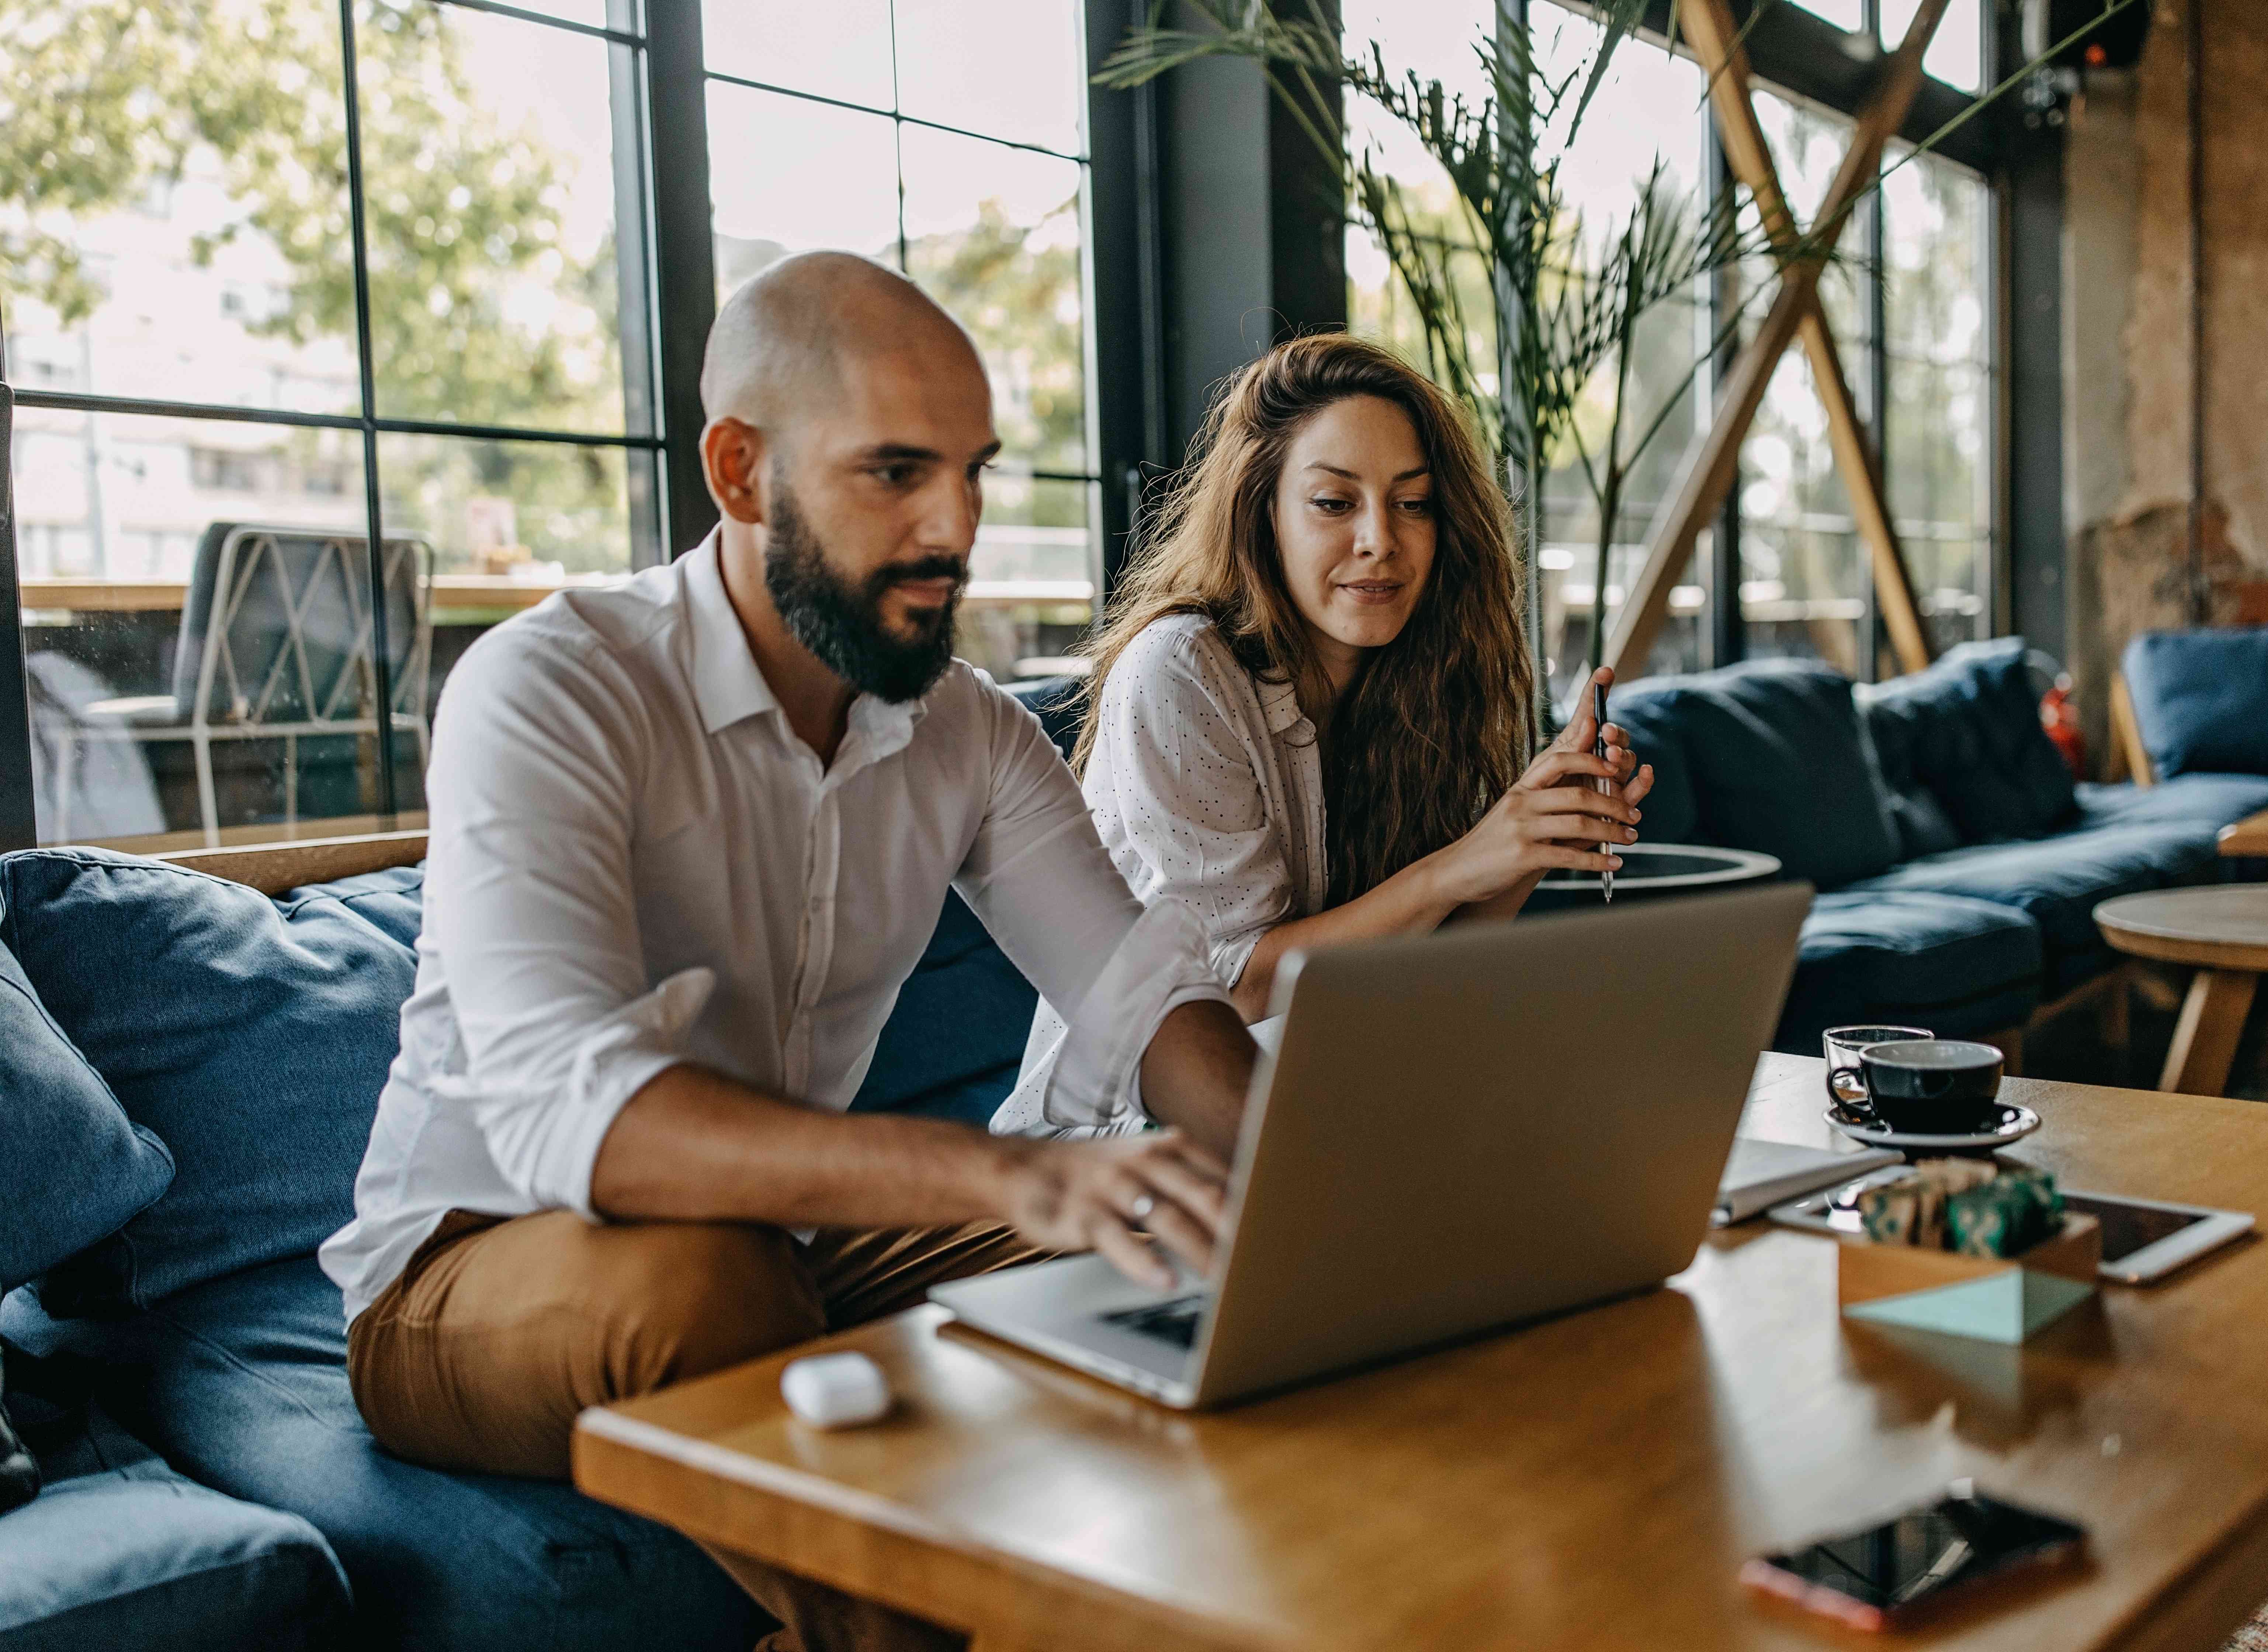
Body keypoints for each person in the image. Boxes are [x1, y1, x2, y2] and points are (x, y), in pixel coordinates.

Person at [319, 251, 1260, 1652]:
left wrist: (1303, 1191)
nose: (956, 527)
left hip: (786, 1240)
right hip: (471, 1267)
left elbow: (1142, 994)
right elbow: (589, 1118)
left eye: (975, 471)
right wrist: (1016, 1167)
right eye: (895, 473)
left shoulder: (966, 728)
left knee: (1171, 1227)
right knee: (715, 1280)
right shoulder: (552, 687)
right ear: (741, 469)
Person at [996, 333, 1654, 1136]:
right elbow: (1228, 1001)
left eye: (1413, 503)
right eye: (1335, 503)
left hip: (1323, 1114)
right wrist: (1462, 863)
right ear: (1262, 510)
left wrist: (1532, 838)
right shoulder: (1179, 672)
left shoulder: (1423, 683)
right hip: (1121, 1151)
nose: (1381, 538)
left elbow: (1420, 970)